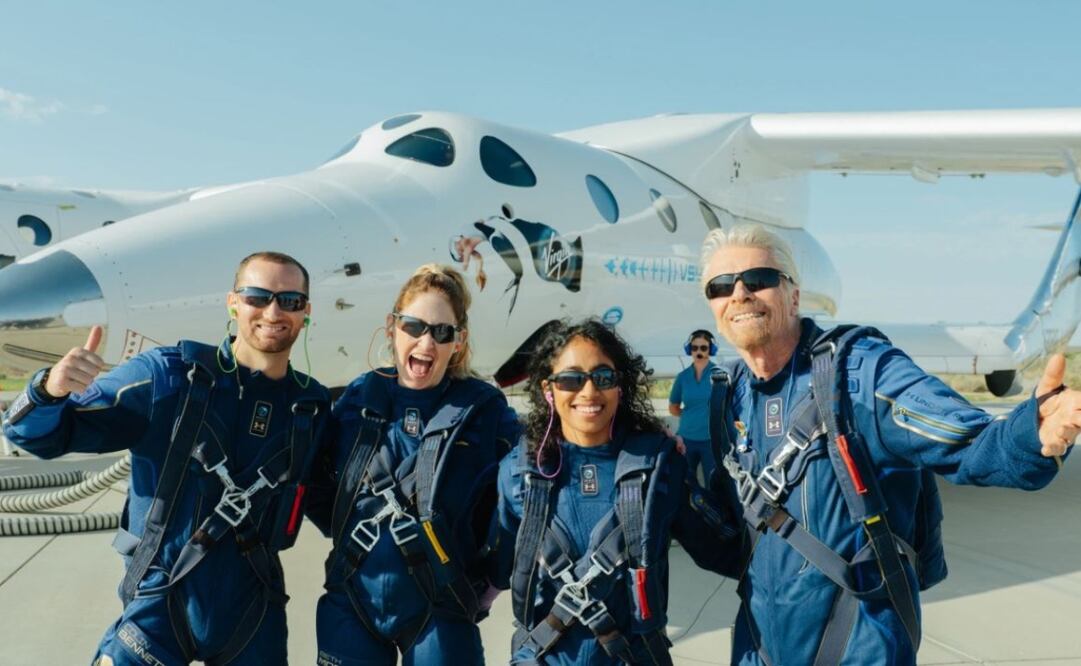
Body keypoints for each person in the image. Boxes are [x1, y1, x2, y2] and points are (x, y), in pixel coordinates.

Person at [699, 224, 1076, 665]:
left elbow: (967, 441)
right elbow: (733, 538)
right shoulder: (731, 396)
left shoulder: (858, 373)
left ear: (794, 296)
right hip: (760, 650)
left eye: (758, 279)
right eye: (721, 286)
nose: (739, 294)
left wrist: (1031, 432)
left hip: (860, 651)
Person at [3, 251, 330, 665]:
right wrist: (48, 390)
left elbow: (337, 502)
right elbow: (32, 434)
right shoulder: (169, 378)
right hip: (158, 605)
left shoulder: (311, 408)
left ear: (306, 312)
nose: (273, 311)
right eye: (257, 297)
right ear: (233, 303)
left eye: (290, 301)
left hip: (251, 606)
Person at [489, 318, 745, 665]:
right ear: (549, 389)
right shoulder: (518, 475)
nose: (588, 392)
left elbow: (725, 549)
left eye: (604, 377)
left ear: (620, 386)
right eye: (571, 379)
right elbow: (496, 566)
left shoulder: (658, 469)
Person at [309, 264, 520, 666]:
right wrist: (340, 525)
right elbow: (314, 477)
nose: (426, 341)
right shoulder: (360, 398)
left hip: (442, 604)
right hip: (354, 597)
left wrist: (494, 579)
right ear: (392, 327)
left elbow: (526, 484)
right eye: (414, 326)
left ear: (459, 341)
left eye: (442, 332)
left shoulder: (484, 410)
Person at [667, 329, 719, 482]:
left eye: (703, 348)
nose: (699, 352)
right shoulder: (682, 377)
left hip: (712, 441)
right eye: (695, 348)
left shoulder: (720, 374)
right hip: (686, 440)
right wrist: (691, 415)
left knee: (713, 483)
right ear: (689, 350)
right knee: (684, 482)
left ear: (711, 350)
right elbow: (673, 407)